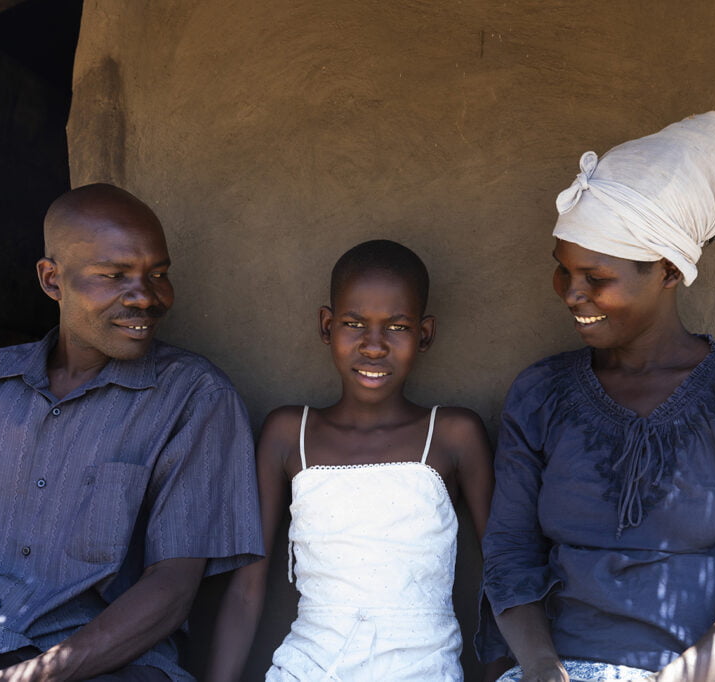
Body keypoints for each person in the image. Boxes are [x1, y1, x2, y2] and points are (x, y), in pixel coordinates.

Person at [479, 112, 715, 682]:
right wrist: (541, 666)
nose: (572, 293)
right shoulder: (541, 394)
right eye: (563, 272)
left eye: (596, 277)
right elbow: (511, 555)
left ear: (666, 271)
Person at [0, 183, 263, 682]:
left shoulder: (196, 398)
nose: (146, 297)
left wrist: (25, 678)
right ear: (52, 279)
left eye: (158, 274)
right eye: (114, 275)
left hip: (112, 669)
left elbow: (171, 590)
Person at [208, 239, 498, 681]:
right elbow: (247, 589)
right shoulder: (290, 434)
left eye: (397, 327)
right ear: (327, 326)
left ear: (424, 334)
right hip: (308, 669)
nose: (374, 345)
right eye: (354, 323)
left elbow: (502, 575)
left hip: (422, 670)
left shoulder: (453, 434)